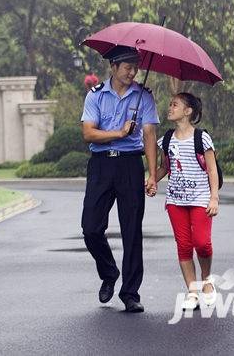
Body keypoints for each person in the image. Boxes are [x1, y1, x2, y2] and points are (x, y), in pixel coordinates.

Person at [80, 45, 159, 313]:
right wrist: (119, 132)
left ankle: (130, 293)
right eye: (127, 67)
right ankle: (109, 272)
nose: (133, 72)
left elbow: (149, 135)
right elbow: (89, 134)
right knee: (91, 228)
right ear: (113, 67)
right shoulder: (95, 96)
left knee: (132, 231)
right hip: (101, 166)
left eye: (135, 67)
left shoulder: (144, 96)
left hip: (129, 166)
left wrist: (151, 173)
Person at [147, 92, 220, 311]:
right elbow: (164, 167)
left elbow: (212, 169)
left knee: (202, 243)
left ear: (188, 111)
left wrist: (214, 197)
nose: (170, 108)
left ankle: (207, 281)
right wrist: (152, 180)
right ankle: (192, 291)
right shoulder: (166, 140)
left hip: (200, 199)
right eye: (170, 104)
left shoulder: (201, 138)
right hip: (175, 202)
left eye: (175, 105)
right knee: (184, 246)